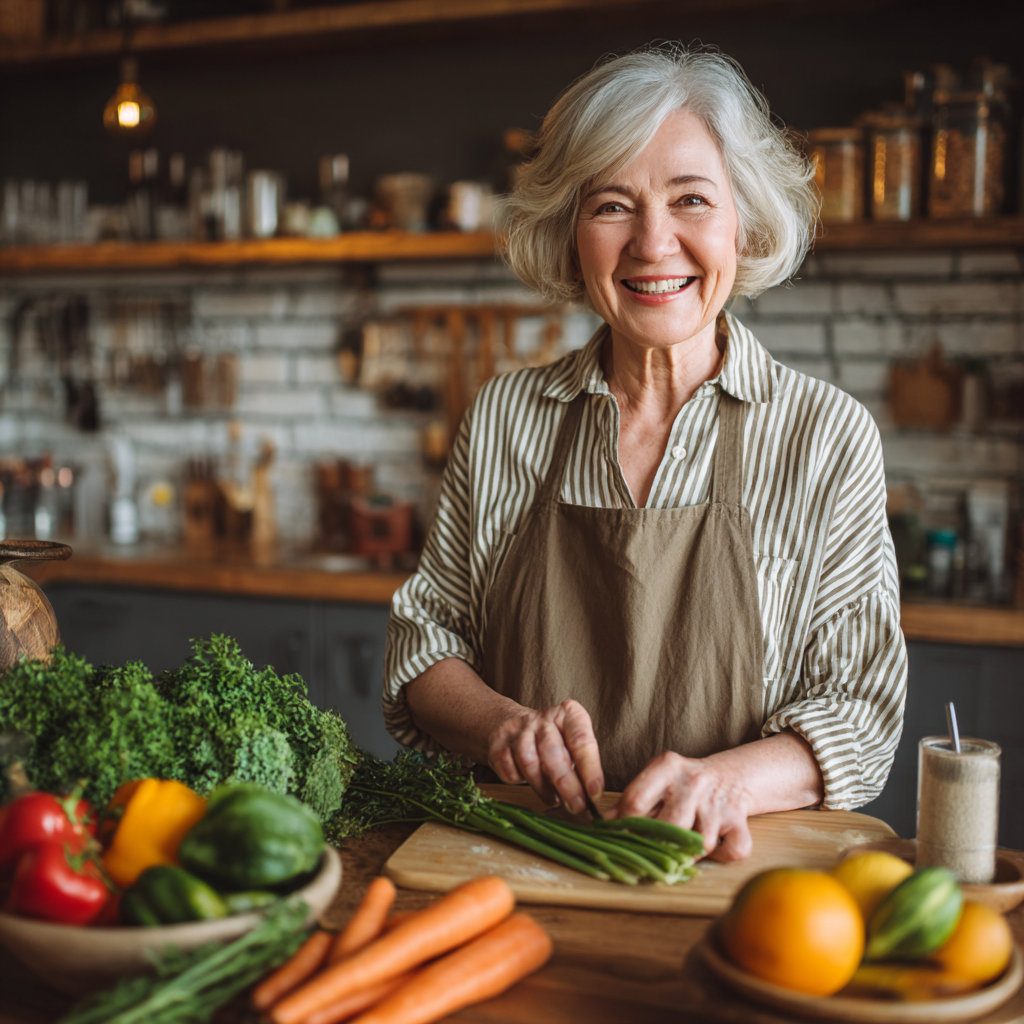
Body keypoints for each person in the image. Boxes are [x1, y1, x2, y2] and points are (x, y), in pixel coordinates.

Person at [382, 44, 907, 861]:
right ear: (570, 231)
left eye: (692, 199)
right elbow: (425, 645)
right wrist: (502, 727)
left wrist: (726, 782)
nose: (653, 244)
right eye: (612, 206)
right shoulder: (505, 419)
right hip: (519, 863)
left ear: (745, 220)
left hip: (733, 879)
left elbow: (860, 713)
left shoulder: (824, 436)